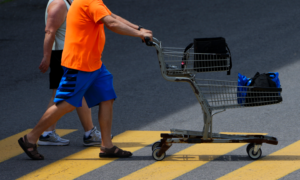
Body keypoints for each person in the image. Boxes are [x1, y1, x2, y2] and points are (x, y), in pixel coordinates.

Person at [18, 0, 153, 159]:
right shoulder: (88, 1)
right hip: (79, 64)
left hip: (94, 63)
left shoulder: (93, 2)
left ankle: (107, 146)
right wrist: (139, 34)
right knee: (66, 103)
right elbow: (110, 23)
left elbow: (111, 16)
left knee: (107, 98)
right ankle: (30, 138)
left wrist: (138, 28)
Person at [37, 0, 102, 146]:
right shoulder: (59, 4)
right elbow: (50, 31)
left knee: (73, 92)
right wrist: (47, 57)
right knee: (68, 92)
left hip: (69, 53)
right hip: (62, 55)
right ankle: (47, 133)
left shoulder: (69, 1)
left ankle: (87, 132)